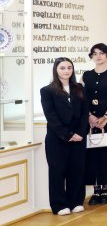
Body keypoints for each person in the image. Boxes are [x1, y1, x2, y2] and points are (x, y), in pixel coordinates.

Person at [40, 58, 88, 215]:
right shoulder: (47, 91)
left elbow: (84, 113)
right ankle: (59, 205)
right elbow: (51, 116)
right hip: (57, 138)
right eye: (62, 68)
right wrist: (68, 135)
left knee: (77, 170)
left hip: (79, 137)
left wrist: (80, 133)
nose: (66, 71)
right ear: (56, 70)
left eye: (69, 67)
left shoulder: (79, 88)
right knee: (57, 171)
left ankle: (76, 201)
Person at [82, 43, 107, 205]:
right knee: (91, 155)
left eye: (102, 53)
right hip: (90, 121)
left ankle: (105, 189)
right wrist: (89, 116)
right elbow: (82, 98)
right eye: (95, 53)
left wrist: (105, 116)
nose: (98, 56)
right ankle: (96, 190)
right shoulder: (86, 75)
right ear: (91, 56)